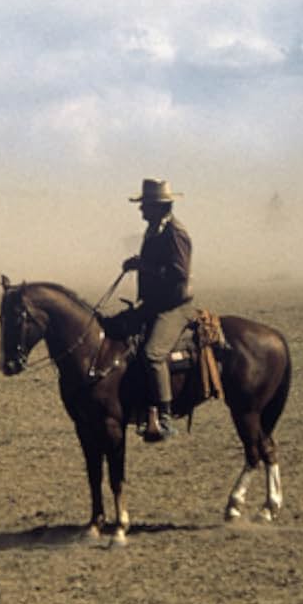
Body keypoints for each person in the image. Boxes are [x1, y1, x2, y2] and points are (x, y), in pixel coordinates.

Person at [121, 178, 193, 442]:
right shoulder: (155, 229)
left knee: (153, 354)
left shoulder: (175, 233)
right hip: (154, 303)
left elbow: (179, 273)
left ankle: (165, 416)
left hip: (174, 306)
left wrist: (144, 267)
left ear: (158, 207)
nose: (140, 211)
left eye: (144, 206)